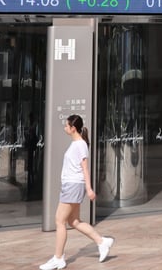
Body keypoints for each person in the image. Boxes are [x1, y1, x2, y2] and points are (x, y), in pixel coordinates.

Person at [38, 114, 114, 269]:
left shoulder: (80, 145)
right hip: (71, 185)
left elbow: (84, 168)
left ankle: (58, 258)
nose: (65, 128)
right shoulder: (77, 144)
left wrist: (89, 188)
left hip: (73, 185)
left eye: (67, 125)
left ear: (73, 128)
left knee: (59, 221)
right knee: (74, 221)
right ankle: (102, 241)